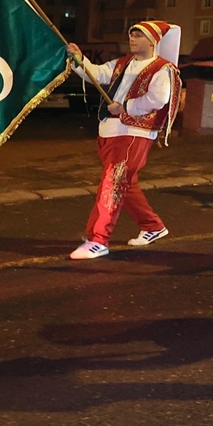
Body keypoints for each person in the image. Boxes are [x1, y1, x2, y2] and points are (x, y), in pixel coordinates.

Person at [64, 21, 182, 260]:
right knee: (125, 183)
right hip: (110, 130)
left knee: (112, 182)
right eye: (132, 35)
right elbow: (97, 74)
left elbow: (158, 99)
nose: (133, 39)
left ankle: (98, 239)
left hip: (134, 133)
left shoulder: (162, 68)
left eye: (139, 35)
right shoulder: (122, 63)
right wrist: (79, 59)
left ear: (152, 41)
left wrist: (126, 107)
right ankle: (153, 226)